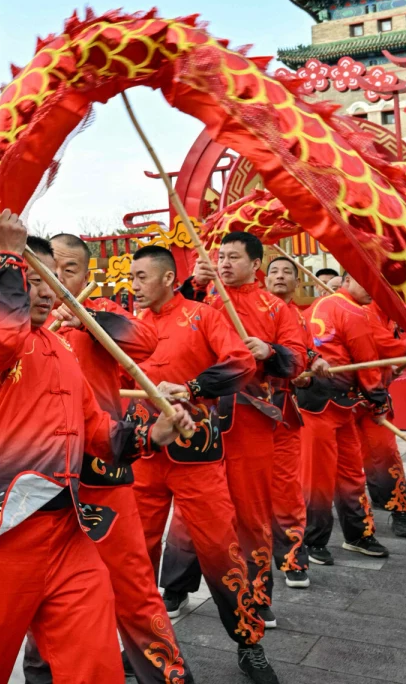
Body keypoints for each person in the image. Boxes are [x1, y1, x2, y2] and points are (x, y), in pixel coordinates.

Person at [0, 212, 196, 684]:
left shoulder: (62, 348)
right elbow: (2, 332)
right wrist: (8, 254)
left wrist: (151, 435)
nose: (45, 292)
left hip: (71, 532)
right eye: (32, 280)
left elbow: (97, 431)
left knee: (95, 662)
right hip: (2, 534)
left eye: (50, 280)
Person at [20, 233, 192, 684]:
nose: (57, 278)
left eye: (69, 270)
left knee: (132, 583)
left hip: (103, 468)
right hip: (40, 476)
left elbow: (146, 340)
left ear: (85, 275)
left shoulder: (99, 312)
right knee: (43, 588)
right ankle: (43, 673)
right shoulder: (25, 319)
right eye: (49, 270)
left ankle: (165, 672)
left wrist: (83, 317)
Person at [129, 244, 278, 684]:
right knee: (136, 555)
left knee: (220, 551)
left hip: (196, 453)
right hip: (144, 453)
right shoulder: (130, 325)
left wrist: (191, 387)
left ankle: (249, 644)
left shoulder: (202, 316)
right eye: (131, 277)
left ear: (167, 279)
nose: (134, 285)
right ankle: (144, 648)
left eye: (141, 277)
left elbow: (241, 364)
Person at [182, 235, 308, 608]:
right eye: (220, 256)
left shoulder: (275, 307)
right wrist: (194, 285)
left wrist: (270, 351)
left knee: (252, 509)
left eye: (233, 257)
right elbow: (169, 323)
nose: (223, 263)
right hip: (199, 413)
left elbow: (297, 358)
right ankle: (176, 584)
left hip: (252, 416)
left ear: (255, 264)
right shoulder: (204, 300)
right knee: (193, 506)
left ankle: (256, 594)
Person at [298, 271, 391, 566]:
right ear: (347, 279)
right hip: (320, 406)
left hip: (338, 405)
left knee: (349, 472)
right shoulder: (352, 310)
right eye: (367, 281)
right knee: (320, 477)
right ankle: (313, 540)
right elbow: (367, 362)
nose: (372, 290)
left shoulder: (317, 305)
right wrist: (379, 402)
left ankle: (357, 534)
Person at [264, 256, 318, 585]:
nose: (280, 276)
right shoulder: (245, 309)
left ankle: (292, 556)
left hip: (284, 410)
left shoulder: (301, 318)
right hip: (242, 411)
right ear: (263, 277)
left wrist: (310, 371)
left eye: (287, 272)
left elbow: (308, 359)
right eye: (274, 271)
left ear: (297, 283)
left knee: (287, 487)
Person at [358, 300, 406, 539]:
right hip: (342, 399)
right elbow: (384, 345)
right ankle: (356, 523)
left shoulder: (385, 312)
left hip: (374, 396)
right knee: (351, 461)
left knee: (385, 453)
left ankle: (399, 509)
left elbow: (386, 348)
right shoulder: (356, 311)